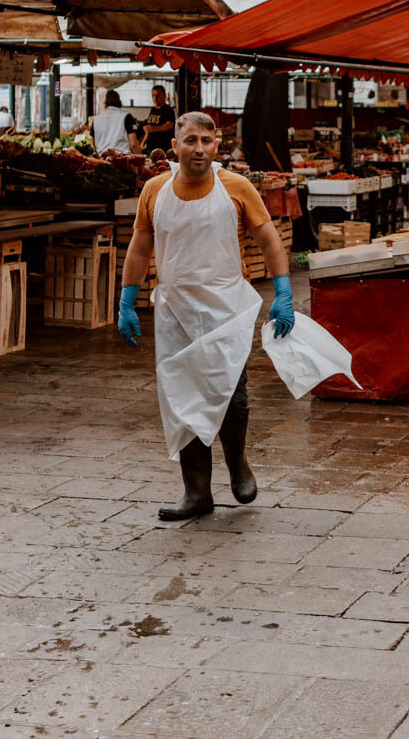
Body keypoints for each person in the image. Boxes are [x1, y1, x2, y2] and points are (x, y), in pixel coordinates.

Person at [117, 110, 295, 520]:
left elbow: (268, 237)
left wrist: (283, 290)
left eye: (207, 141)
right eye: (191, 140)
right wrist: (128, 299)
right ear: (175, 145)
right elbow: (141, 246)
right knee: (181, 400)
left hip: (224, 309)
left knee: (231, 391)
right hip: (174, 311)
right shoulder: (154, 190)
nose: (199, 148)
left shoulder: (236, 186)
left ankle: (238, 464)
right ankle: (196, 492)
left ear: (218, 146)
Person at [92, 89, 137, 155]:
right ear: (119, 102)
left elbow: (94, 144)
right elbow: (134, 144)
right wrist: (142, 158)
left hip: (101, 160)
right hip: (122, 160)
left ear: (105, 102)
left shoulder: (95, 119)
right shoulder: (126, 116)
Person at [139, 84, 176, 156]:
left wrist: (153, 128)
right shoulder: (153, 109)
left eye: (158, 95)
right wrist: (143, 142)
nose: (155, 98)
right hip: (150, 147)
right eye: (153, 96)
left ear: (164, 96)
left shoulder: (168, 110)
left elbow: (170, 126)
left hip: (162, 149)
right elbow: (148, 130)